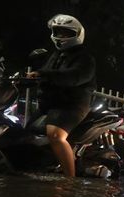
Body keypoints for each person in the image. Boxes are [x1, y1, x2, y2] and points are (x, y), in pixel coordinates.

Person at [27, 14, 96, 177]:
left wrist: (44, 75)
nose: (61, 37)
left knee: (56, 135)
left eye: (66, 33)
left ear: (77, 34)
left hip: (72, 105)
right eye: (58, 32)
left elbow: (74, 76)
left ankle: (69, 180)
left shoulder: (85, 58)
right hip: (50, 104)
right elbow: (45, 74)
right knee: (26, 133)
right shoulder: (55, 55)